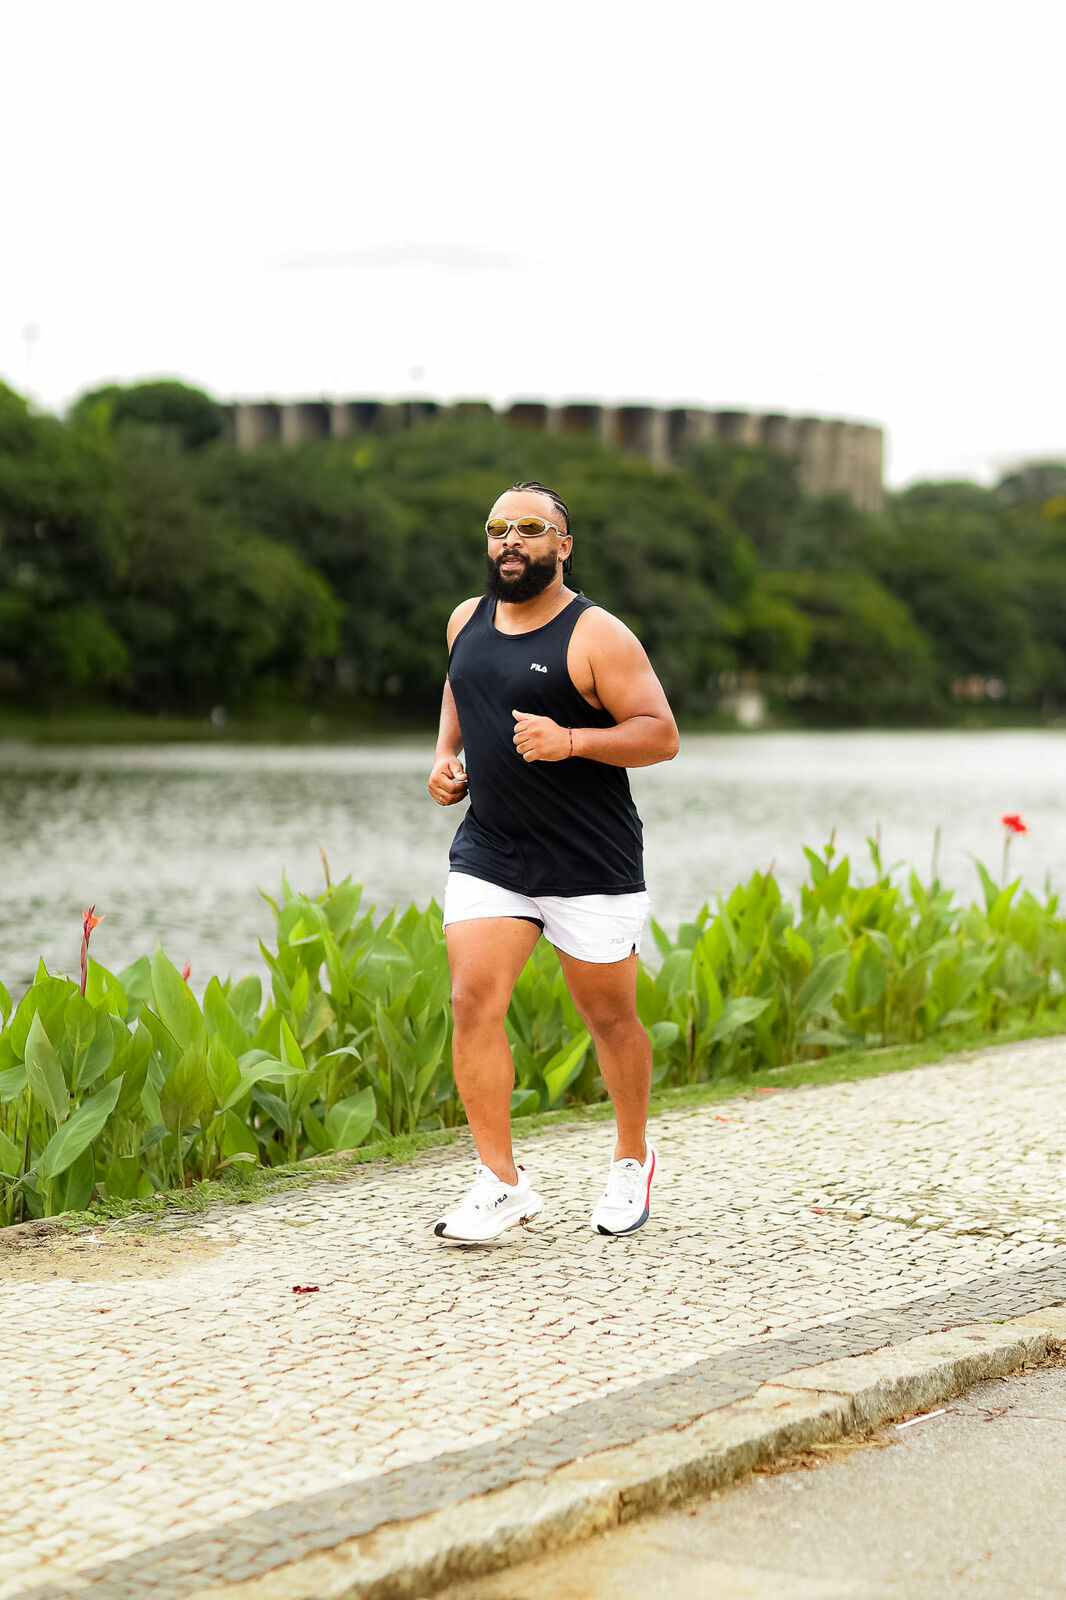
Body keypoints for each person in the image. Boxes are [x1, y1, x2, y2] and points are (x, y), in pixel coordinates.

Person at [427, 480, 680, 1242]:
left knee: (610, 1017)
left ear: (562, 546)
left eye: (531, 528)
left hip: (588, 858)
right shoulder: (465, 619)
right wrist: (446, 758)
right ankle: (501, 1182)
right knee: (473, 999)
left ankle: (631, 1159)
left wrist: (572, 742)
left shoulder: (598, 636)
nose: (512, 540)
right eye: (499, 527)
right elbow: (461, 689)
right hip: (492, 850)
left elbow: (660, 734)